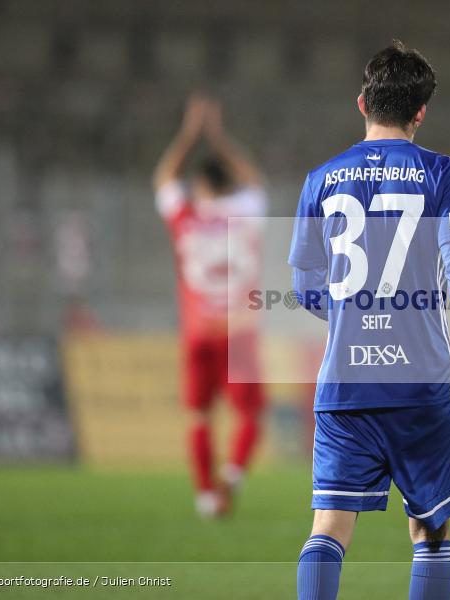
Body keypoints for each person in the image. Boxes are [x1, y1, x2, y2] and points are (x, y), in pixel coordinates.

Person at [288, 42, 450, 600]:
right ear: (421, 112)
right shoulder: (444, 174)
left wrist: (350, 317)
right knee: (430, 530)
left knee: (328, 529)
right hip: (422, 386)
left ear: (362, 102)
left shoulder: (320, 179)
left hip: (345, 383)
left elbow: (302, 286)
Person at [153, 94, 267, 518]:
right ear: (228, 185)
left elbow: (164, 175)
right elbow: (253, 179)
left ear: (200, 187)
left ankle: (205, 496)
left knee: (199, 417)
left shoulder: (186, 215)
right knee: (251, 415)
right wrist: (219, 138)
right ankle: (231, 477)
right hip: (238, 329)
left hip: (198, 331)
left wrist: (190, 133)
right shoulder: (246, 210)